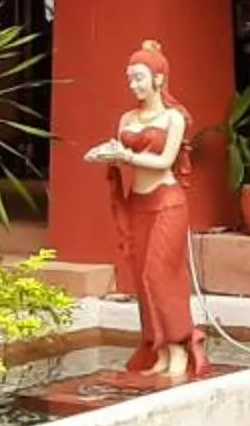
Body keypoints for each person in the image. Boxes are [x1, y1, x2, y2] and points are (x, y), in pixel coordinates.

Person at [82, 39, 206, 381]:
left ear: (159, 79)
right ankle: (160, 349)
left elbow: (165, 160)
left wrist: (126, 157)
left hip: (167, 202)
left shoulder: (173, 118)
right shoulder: (126, 118)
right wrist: (104, 156)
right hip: (138, 203)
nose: (133, 85)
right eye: (130, 78)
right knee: (142, 279)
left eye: (139, 77)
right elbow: (117, 152)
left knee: (159, 274)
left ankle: (180, 346)